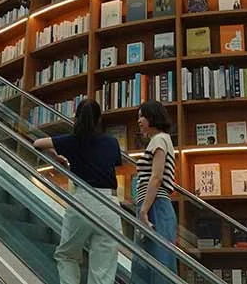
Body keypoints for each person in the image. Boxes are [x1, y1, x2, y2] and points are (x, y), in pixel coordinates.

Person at [33, 99, 123, 284]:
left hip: (83, 201)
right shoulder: (112, 142)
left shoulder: (72, 141)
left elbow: (37, 143)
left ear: (76, 118)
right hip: (109, 205)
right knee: (103, 265)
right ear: (98, 119)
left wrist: (55, 154)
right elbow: (112, 163)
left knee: (67, 255)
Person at [130, 100, 177, 284]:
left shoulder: (159, 139)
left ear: (152, 117)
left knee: (156, 263)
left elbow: (156, 178)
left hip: (154, 206)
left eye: (142, 116)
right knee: (153, 262)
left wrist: (143, 211)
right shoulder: (159, 140)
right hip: (152, 205)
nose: (139, 121)